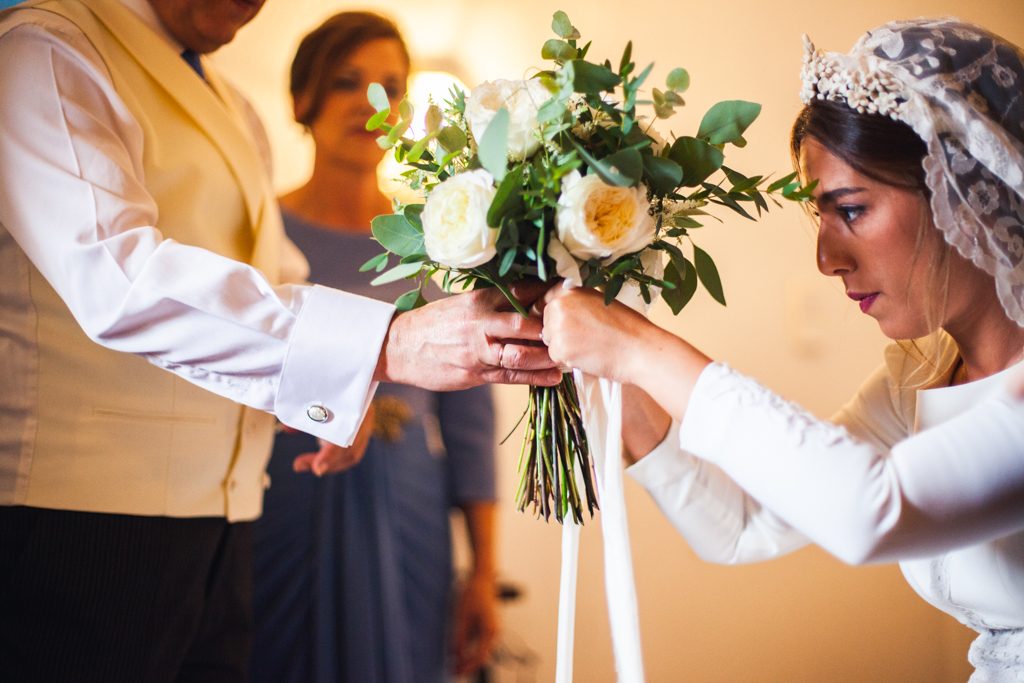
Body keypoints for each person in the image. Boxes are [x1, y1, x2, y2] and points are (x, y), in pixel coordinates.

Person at [0, 1, 558, 681]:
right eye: (347, 80)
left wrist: (339, 388)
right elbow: (118, 275)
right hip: (88, 519)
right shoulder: (50, 49)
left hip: (233, 517)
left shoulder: (233, 111)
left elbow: (272, 272)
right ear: (307, 96)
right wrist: (375, 348)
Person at [541, 18, 1024, 680]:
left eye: (850, 210)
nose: (826, 258)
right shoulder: (917, 380)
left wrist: (642, 348)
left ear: (961, 192)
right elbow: (740, 526)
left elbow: (870, 510)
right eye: (819, 218)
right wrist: (615, 379)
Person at [249, 12, 498, 683]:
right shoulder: (259, 232)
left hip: (408, 504)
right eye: (346, 81)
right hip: (288, 493)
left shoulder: (440, 242)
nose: (369, 101)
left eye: (390, 84)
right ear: (303, 99)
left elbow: (471, 426)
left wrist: (484, 572)